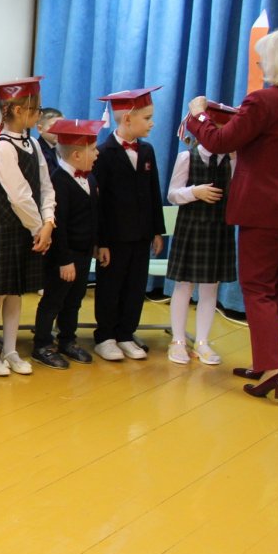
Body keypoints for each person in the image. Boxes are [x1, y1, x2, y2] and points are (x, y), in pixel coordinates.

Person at [186, 26, 278, 400]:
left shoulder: (263, 101)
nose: (260, 63)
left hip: (263, 209)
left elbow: (219, 141)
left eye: (263, 58)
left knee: (257, 288)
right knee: (273, 288)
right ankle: (272, 361)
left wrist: (198, 117)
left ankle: (273, 370)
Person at [0, 77, 55, 376]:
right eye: (36, 109)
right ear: (19, 110)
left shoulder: (32, 143)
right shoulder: (2, 148)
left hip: (32, 227)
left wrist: (49, 221)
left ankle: (9, 349)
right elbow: (19, 194)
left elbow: (46, 186)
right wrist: (39, 227)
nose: (39, 114)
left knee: (16, 291)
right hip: (8, 226)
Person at [92, 87, 166, 362]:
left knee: (135, 287)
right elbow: (98, 203)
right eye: (147, 118)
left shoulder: (147, 151)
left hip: (141, 234)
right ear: (127, 119)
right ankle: (106, 336)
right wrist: (101, 242)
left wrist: (156, 230)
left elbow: (154, 191)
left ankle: (126, 334)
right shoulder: (103, 153)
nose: (152, 123)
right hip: (114, 237)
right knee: (111, 287)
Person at [165, 102, 237, 366]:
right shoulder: (187, 157)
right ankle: (178, 340)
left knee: (211, 287)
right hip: (192, 226)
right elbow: (173, 194)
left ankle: (203, 341)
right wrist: (194, 192)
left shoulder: (232, 160)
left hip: (219, 228)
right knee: (184, 285)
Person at [31, 119, 103, 369]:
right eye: (93, 149)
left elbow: (93, 215)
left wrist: (96, 244)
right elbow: (57, 225)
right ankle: (42, 344)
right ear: (76, 155)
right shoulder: (58, 181)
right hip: (63, 256)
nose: (97, 153)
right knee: (54, 300)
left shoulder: (90, 179)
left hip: (83, 253)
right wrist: (64, 260)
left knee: (75, 299)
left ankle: (67, 339)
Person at [37, 107, 64, 173]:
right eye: (54, 126)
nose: (59, 131)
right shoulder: (38, 150)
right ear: (40, 129)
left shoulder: (64, 148)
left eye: (62, 126)